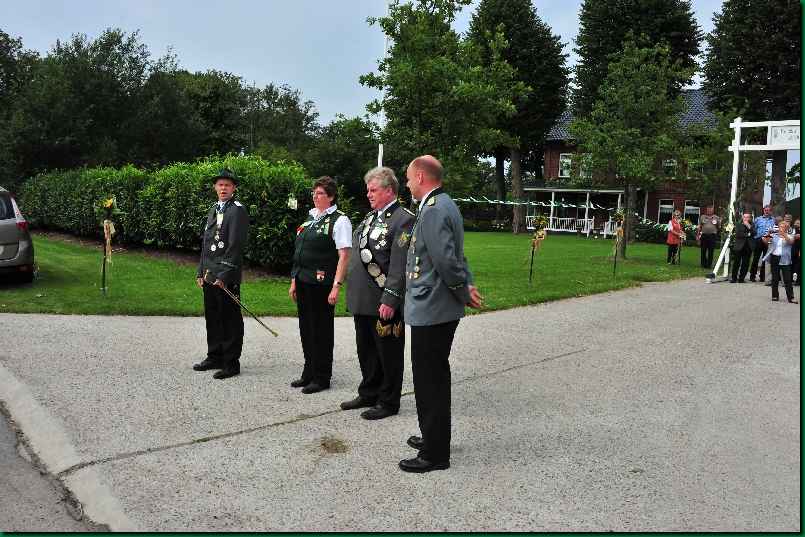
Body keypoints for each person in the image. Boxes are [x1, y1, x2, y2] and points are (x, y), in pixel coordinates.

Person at [399, 155, 483, 474]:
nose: (407, 184)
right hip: (435, 306)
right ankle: (433, 436)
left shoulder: (434, 210)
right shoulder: (443, 204)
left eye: (409, 178)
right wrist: (467, 285)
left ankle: (434, 454)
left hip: (432, 307)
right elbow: (457, 256)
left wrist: (462, 290)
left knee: (429, 379)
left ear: (421, 177)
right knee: (432, 377)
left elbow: (447, 261)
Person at [341, 167, 415, 420]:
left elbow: (400, 264)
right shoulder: (370, 217)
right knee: (366, 350)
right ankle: (369, 392)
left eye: (373, 190)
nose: (368, 194)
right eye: (368, 190)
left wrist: (391, 298)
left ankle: (388, 401)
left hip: (383, 300)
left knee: (388, 353)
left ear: (389, 190)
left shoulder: (403, 219)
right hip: (363, 299)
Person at [289, 176, 352, 394]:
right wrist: (294, 280)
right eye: (314, 193)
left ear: (331, 196)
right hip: (303, 280)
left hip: (322, 284)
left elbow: (344, 255)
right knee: (306, 328)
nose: (315, 197)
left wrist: (336, 285)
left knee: (321, 330)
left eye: (320, 193)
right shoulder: (310, 218)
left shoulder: (340, 220)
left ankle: (322, 377)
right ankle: (309, 372)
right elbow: (299, 252)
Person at [193, 168, 250, 380]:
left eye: (227, 185)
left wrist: (223, 274)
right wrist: (201, 271)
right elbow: (207, 243)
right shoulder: (213, 209)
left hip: (225, 275)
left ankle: (231, 362)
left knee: (229, 319)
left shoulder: (237, 211)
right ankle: (215, 356)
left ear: (234, 188)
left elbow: (235, 246)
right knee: (213, 317)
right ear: (215, 187)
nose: (223, 188)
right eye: (220, 184)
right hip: (209, 273)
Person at [762, 220, 797, 303]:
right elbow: (765, 241)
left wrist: (784, 234)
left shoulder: (790, 235)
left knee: (787, 279)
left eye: (783, 227)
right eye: (780, 226)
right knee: (775, 278)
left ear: (786, 228)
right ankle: (775, 296)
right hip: (775, 258)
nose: (781, 228)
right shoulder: (774, 236)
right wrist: (768, 234)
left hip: (785, 259)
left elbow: (791, 242)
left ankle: (791, 297)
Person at [749, 205, 775, 282]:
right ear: (763, 211)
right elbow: (753, 229)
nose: (766, 211)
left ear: (770, 211)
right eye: (765, 210)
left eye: (768, 210)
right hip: (759, 240)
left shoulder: (773, 220)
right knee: (756, 258)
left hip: (768, 240)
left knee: (765, 258)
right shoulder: (758, 219)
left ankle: (762, 276)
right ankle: (752, 275)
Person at [730, 212, 753, 283]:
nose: (745, 218)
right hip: (739, 246)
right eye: (744, 217)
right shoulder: (738, 224)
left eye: (747, 217)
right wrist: (748, 234)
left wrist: (748, 226)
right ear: (742, 217)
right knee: (736, 262)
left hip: (748, 246)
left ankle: (741, 278)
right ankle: (734, 278)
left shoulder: (752, 225)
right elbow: (738, 234)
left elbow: (754, 232)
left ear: (750, 218)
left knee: (745, 263)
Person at [792, 218, 801, 286]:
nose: (796, 224)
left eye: (798, 223)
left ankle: (798, 280)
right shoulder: (793, 230)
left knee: (799, 264)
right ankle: (794, 279)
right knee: (794, 264)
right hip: (794, 249)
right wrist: (794, 237)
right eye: (795, 223)